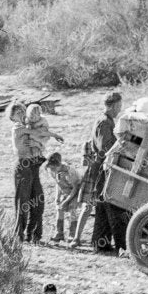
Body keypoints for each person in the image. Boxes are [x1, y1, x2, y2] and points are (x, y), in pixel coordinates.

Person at [83, 90, 129, 254]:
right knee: (111, 204)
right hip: (103, 167)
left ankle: (100, 243)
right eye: (119, 106)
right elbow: (105, 148)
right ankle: (120, 244)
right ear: (114, 105)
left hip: (101, 167)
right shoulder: (105, 123)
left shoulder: (105, 120)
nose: (120, 109)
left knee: (102, 205)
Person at [10, 102, 56, 244]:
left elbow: (41, 137)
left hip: (33, 166)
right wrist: (54, 134)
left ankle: (34, 236)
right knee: (23, 203)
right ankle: (18, 236)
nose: (21, 113)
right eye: (17, 112)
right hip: (23, 167)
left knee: (38, 201)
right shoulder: (18, 128)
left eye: (23, 110)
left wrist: (39, 142)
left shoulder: (30, 125)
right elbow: (39, 134)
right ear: (12, 116)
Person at [42, 150, 84, 245]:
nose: (51, 169)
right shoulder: (53, 171)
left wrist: (66, 201)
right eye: (50, 167)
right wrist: (57, 197)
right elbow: (58, 183)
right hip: (64, 190)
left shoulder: (69, 172)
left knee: (72, 210)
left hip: (75, 191)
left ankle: (72, 234)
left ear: (58, 164)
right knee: (59, 209)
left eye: (53, 167)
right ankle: (59, 233)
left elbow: (75, 187)